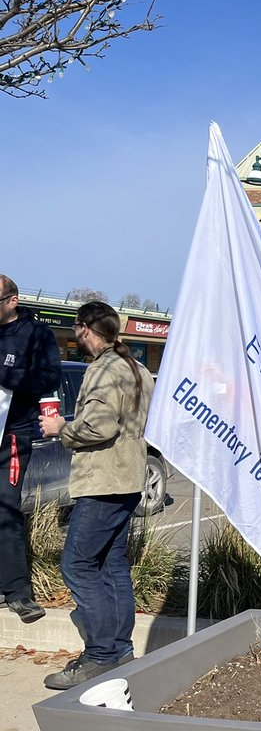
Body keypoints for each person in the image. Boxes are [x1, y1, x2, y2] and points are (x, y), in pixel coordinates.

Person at [40, 302, 155, 690]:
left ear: (87, 329)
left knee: (78, 565)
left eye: (76, 329)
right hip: (128, 478)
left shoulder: (104, 370)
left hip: (103, 480)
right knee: (111, 564)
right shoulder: (137, 367)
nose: (76, 335)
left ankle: (100, 656)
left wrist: (61, 428)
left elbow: (98, 427)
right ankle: (118, 650)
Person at [0, 274, 62, 624]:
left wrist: (7, 377)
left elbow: (48, 378)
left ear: (13, 301)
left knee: (6, 508)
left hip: (12, 433)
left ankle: (18, 593)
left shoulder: (36, 335)